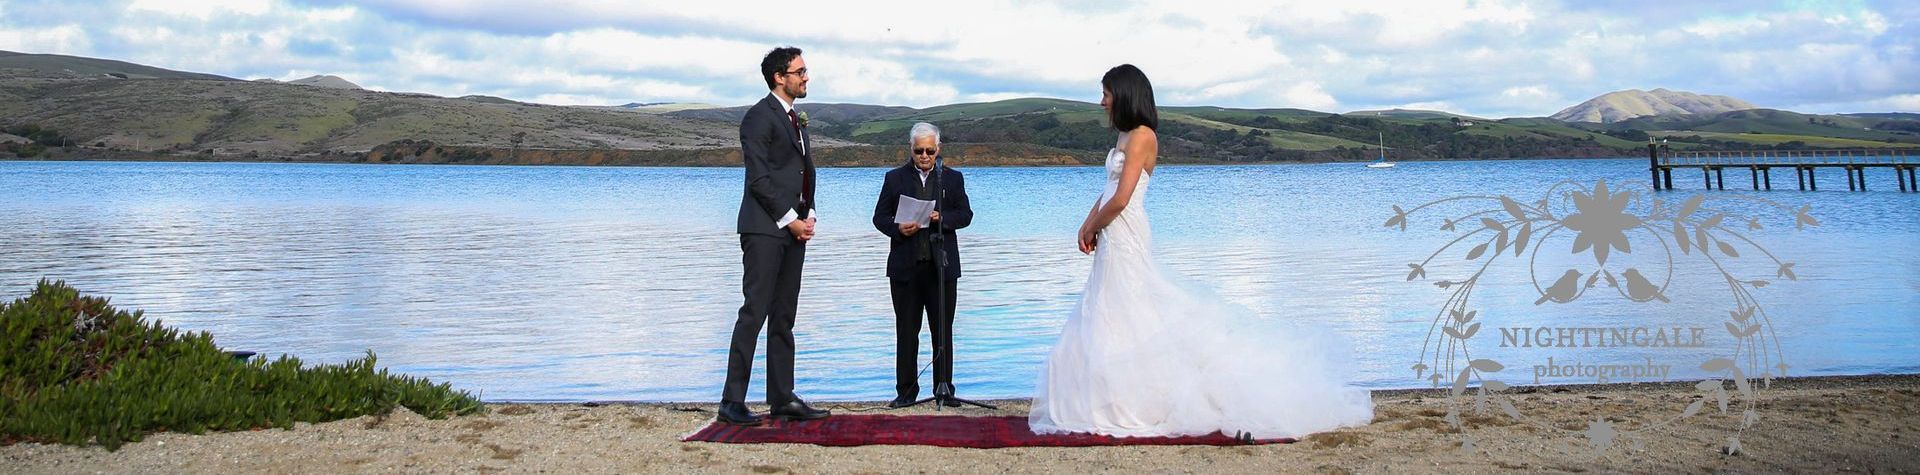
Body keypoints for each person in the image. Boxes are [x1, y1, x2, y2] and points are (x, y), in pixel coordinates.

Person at [1028, 64, 1374, 439]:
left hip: (1126, 230)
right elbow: (1110, 189)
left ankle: (1141, 397)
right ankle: (1107, 394)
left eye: (1107, 94)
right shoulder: (1124, 136)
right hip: (1112, 229)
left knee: (1129, 306)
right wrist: (1087, 221)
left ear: (1124, 94)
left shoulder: (1143, 136)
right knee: (1109, 307)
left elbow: (1124, 198)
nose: (1102, 102)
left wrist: (1096, 225)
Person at [718, 46, 829, 426]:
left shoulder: (796, 119)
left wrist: (809, 213)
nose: (806, 77)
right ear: (779, 77)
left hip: (793, 230)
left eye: (805, 70)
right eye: (799, 71)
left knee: (784, 316)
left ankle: (782, 397)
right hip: (764, 230)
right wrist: (789, 219)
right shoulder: (757, 118)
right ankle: (732, 401)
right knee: (754, 313)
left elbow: (803, 172)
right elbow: (759, 180)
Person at [870, 122, 973, 408]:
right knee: (906, 331)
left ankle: (944, 389)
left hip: (941, 267)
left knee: (943, 330)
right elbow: (879, 217)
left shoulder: (952, 178)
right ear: (911, 150)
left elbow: (966, 214)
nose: (925, 156)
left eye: (930, 150)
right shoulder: (894, 179)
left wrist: (944, 219)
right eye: (919, 151)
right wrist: (897, 228)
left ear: (938, 149)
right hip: (906, 267)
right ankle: (906, 392)